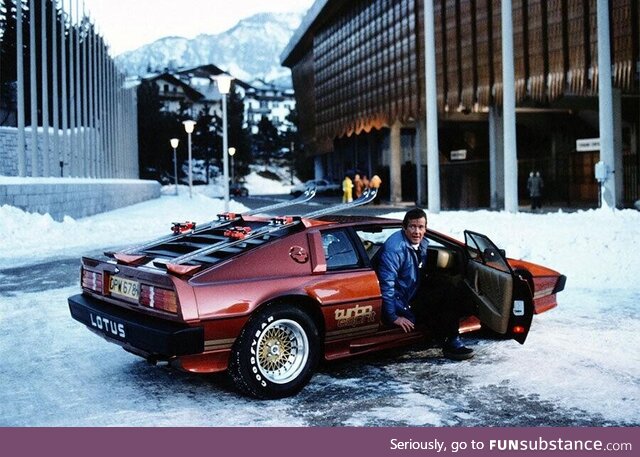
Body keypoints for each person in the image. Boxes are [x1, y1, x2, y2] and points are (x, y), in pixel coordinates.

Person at [375, 208, 474, 360]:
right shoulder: (395, 250)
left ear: (425, 228)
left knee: (449, 285)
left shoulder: (419, 244)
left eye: (420, 227)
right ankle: (451, 341)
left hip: (409, 290)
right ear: (404, 227)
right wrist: (393, 317)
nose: (417, 231)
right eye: (412, 226)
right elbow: (386, 286)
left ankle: (444, 333)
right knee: (447, 297)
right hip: (401, 301)